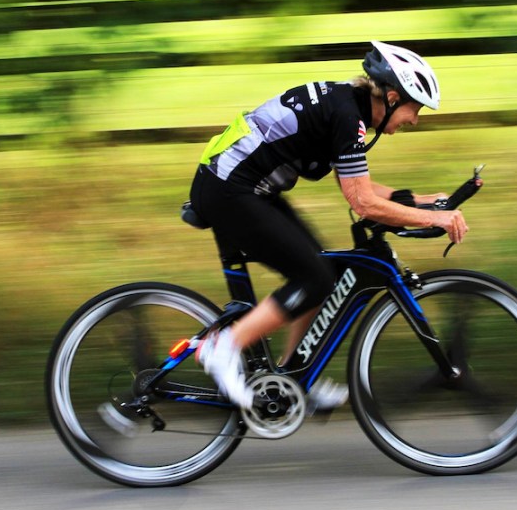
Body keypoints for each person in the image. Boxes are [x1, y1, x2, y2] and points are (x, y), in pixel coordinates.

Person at [190, 41, 469, 411]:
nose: (414, 119)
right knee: (314, 278)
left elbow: (355, 184)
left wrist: (419, 200)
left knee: (321, 270)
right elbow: (362, 202)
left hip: (242, 187)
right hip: (231, 190)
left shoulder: (346, 105)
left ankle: (292, 379)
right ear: (390, 98)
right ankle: (223, 348)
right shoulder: (347, 116)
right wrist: (434, 218)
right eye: (414, 108)